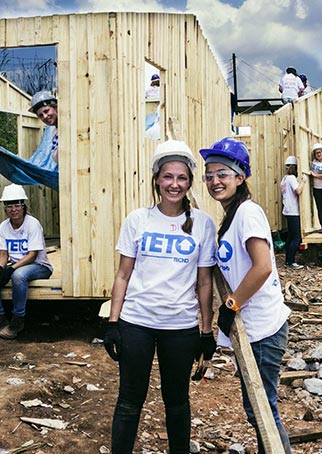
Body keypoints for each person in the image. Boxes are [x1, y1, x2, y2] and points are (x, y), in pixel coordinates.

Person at [104, 140, 217, 454]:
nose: (174, 184)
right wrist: (113, 323)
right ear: (156, 179)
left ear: (190, 182)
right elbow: (123, 275)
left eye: (181, 178)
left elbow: (204, 283)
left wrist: (206, 332)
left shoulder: (203, 225)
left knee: (177, 402)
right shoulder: (138, 220)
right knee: (129, 400)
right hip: (137, 322)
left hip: (179, 327)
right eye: (168, 177)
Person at [200, 137, 292, 454]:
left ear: (240, 177)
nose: (215, 181)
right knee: (258, 409)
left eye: (222, 174)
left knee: (263, 411)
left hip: (263, 328)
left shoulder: (248, 213)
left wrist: (232, 304)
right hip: (250, 329)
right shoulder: (232, 216)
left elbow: (263, 266)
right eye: (209, 175)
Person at [0, 184, 54, 339]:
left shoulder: (32, 224)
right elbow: (3, 253)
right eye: (9, 205)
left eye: (16, 205)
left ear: (23, 206)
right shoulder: (4, 227)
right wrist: (1, 269)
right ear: (5, 208)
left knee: (18, 276)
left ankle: (17, 320)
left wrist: (11, 269)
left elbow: (32, 255)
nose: (13, 209)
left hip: (38, 266)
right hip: (15, 266)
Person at [281, 156, 307, 269]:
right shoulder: (291, 178)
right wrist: (303, 182)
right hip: (293, 211)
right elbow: (298, 191)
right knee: (296, 238)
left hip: (287, 210)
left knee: (290, 237)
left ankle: (288, 261)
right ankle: (291, 262)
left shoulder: (284, 179)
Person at [27, 90, 59, 172]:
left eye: (46, 111)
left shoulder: (67, 128)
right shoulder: (54, 132)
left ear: (55, 108)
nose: (45, 116)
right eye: (41, 115)